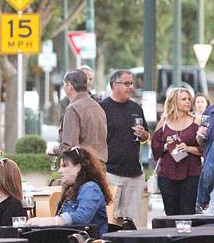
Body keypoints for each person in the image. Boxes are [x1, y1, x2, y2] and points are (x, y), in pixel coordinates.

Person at [98, 70, 150, 225]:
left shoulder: (136, 108)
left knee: (131, 222)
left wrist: (143, 135)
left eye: (131, 83)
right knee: (111, 220)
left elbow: (147, 136)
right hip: (111, 172)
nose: (131, 87)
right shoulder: (102, 108)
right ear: (114, 85)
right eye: (126, 83)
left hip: (134, 173)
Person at [27, 146, 111, 236]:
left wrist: (50, 221)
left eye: (64, 166)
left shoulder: (91, 188)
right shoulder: (71, 190)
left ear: (77, 167)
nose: (59, 171)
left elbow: (82, 217)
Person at [151, 87, 202, 216]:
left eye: (189, 99)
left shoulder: (197, 121)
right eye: (183, 99)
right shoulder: (164, 122)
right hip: (167, 174)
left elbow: (204, 149)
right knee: (170, 214)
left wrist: (189, 148)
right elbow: (155, 148)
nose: (188, 102)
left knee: (187, 212)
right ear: (174, 101)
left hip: (191, 173)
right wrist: (166, 146)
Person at [55, 69, 108, 163]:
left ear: (70, 86)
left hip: (82, 167)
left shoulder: (73, 109)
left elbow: (69, 146)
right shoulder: (97, 107)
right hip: (99, 165)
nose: (63, 87)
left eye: (64, 84)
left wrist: (55, 151)